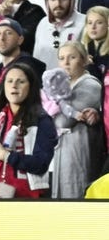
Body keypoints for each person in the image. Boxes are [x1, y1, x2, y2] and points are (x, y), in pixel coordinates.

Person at [0, 62, 57, 198]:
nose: (14, 85)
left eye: (20, 81)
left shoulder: (41, 120)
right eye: (9, 81)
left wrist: (7, 157)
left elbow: (41, 163)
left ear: (31, 87)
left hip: (25, 195)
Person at [45, 42, 105, 197]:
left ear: (84, 60)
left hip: (77, 152)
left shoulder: (90, 85)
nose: (65, 62)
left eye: (72, 57)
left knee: (75, 198)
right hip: (60, 152)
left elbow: (62, 122)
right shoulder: (63, 87)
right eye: (62, 58)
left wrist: (52, 108)